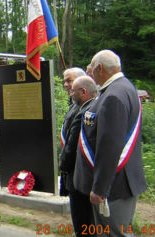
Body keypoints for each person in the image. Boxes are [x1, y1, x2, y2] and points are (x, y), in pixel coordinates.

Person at [74, 50, 147, 236]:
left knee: (113, 233)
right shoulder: (123, 88)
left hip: (113, 186)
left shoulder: (113, 95)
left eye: (90, 65)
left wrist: (99, 188)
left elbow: (110, 147)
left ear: (99, 68)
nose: (88, 70)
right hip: (119, 181)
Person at [60, 76, 97, 236]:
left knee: (82, 222)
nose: (71, 94)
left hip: (78, 175)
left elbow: (73, 145)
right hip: (83, 174)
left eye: (73, 91)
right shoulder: (86, 107)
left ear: (83, 92)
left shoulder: (84, 112)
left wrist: (63, 165)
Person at [60, 67, 86, 196]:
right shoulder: (73, 105)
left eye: (69, 81)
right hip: (70, 170)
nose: (66, 85)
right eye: (64, 81)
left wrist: (64, 162)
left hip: (78, 170)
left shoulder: (85, 107)